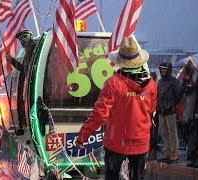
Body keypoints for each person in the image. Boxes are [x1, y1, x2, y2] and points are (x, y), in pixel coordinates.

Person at [75, 36, 157, 180]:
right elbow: (151, 110)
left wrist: (82, 136)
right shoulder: (151, 85)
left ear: (121, 62)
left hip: (116, 142)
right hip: (141, 142)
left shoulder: (113, 83)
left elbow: (99, 114)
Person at [6, 29, 37, 134]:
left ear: (30, 36)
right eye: (20, 39)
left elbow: (27, 69)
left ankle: (26, 125)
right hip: (30, 85)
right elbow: (24, 68)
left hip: (35, 86)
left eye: (24, 37)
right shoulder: (28, 50)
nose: (22, 40)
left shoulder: (33, 47)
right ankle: (24, 124)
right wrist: (12, 60)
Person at [156, 62, 181, 164]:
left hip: (170, 110)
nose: (162, 71)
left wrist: (170, 104)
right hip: (161, 110)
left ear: (169, 70)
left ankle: (175, 154)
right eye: (161, 70)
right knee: (164, 132)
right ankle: (167, 152)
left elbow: (178, 95)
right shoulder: (161, 81)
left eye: (164, 70)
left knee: (172, 132)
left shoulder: (174, 81)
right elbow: (159, 95)